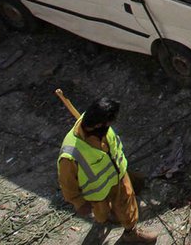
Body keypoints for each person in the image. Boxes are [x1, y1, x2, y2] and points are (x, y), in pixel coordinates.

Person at [57, 97, 158, 243]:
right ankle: (108, 217)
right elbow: (67, 184)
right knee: (102, 214)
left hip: (119, 178)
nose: (111, 126)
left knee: (127, 207)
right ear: (98, 125)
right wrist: (78, 203)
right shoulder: (70, 154)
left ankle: (131, 234)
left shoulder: (96, 126)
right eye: (109, 123)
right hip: (98, 193)